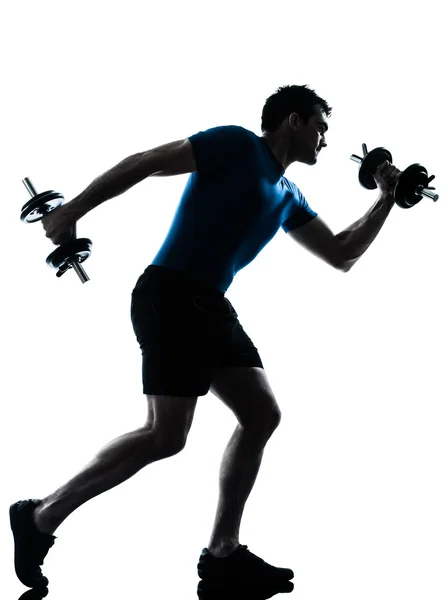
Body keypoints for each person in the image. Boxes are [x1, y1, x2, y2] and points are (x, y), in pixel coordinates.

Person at [10, 85, 400, 590]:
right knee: (165, 436)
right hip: (169, 294)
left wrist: (387, 200)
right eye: (321, 126)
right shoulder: (237, 145)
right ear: (293, 121)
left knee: (261, 414)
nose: (326, 138)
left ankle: (222, 554)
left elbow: (341, 253)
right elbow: (148, 161)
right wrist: (72, 210)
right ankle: (40, 516)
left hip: (211, 306)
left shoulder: (288, 194)